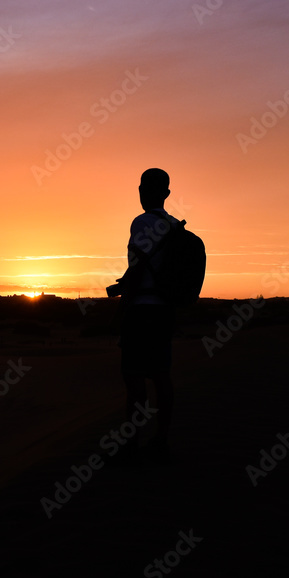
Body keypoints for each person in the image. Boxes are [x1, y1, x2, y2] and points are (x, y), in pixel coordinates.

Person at [117, 168, 179, 462]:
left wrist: (125, 301)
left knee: (134, 379)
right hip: (165, 310)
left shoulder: (142, 222)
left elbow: (140, 265)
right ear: (166, 194)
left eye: (143, 188)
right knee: (161, 377)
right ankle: (161, 441)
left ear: (144, 190)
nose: (141, 193)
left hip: (141, 310)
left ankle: (130, 446)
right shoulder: (174, 226)